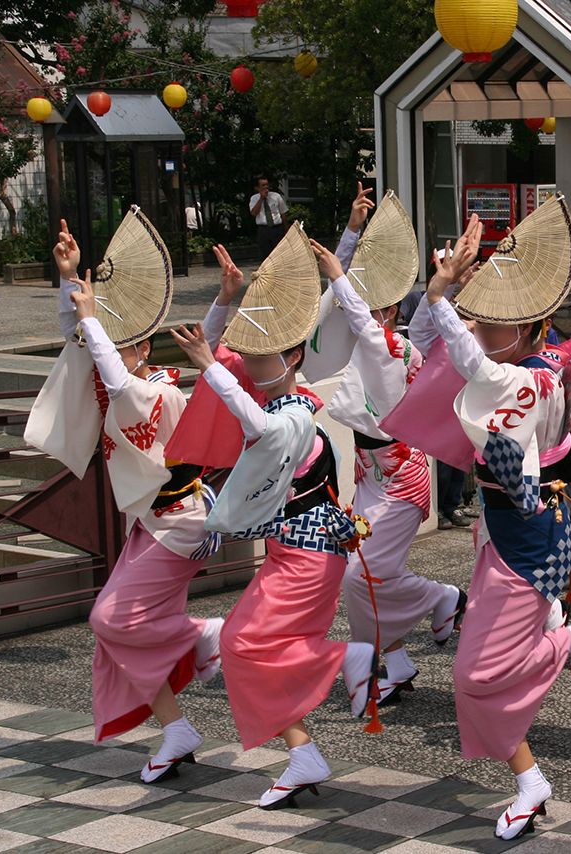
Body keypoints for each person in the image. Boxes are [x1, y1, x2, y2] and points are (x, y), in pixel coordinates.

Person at [421, 212, 571, 841]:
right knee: (478, 677)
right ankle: (529, 779)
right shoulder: (538, 367)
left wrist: (443, 296)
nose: (482, 329)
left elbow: (472, 361)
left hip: (527, 542)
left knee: (475, 676)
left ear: (526, 327)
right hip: (510, 529)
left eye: (495, 321)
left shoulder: (528, 376)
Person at [170, 237, 376, 809]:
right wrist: (226, 301)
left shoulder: (293, 416)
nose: (251, 363)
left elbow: (255, 422)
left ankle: (346, 661)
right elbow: (214, 352)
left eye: (263, 356)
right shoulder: (283, 396)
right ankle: (302, 752)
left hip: (309, 552)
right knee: (250, 649)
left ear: (290, 357)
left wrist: (212, 369)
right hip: (299, 548)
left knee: (247, 644)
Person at [25, 218, 223, 783]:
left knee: (108, 617)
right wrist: (69, 283)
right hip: (153, 524)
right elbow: (83, 349)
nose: (99, 344)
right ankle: (175, 728)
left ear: (137, 343)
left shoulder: (157, 389)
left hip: (181, 523)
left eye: (111, 337)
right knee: (114, 636)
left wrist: (90, 317)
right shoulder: (130, 376)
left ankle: (204, 634)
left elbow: (114, 378)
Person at [306, 185, 465, 705]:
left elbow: (349, 305)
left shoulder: (390, 344)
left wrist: (339, 272)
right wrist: (350, 236)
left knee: (363, 574)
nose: (364, 313)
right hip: (373, 475)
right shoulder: (390, 338)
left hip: (401, 476)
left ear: (390, 309)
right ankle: (395, 659)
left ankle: (444, 597)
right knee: (368, 573)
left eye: (377, 307)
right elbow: (334, 304)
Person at [249, 176, 288, 261]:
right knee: (265, 256)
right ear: (257, 188)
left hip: (277, 228)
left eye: (267, 185)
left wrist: (286, 230)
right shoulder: (254, 198)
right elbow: (254, 213)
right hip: (264, 229)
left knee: (279, 254)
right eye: (263, 185)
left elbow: (283, 213)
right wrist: (261, 199)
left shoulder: (276, 196)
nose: (266, 187)